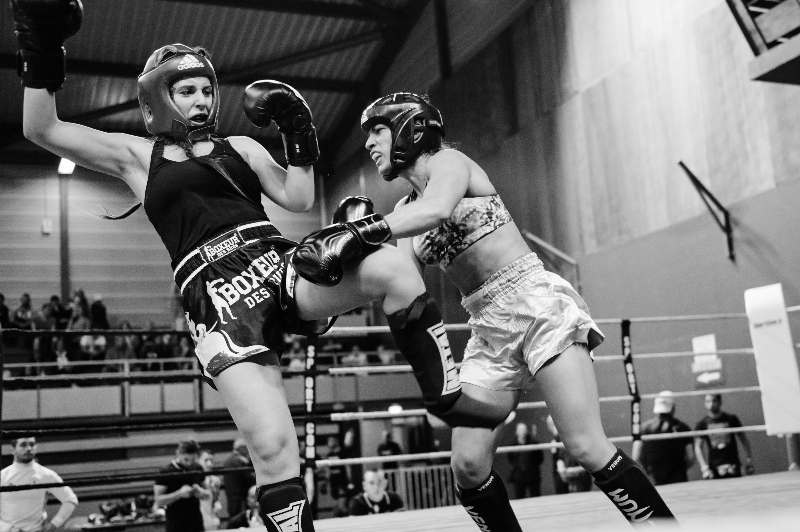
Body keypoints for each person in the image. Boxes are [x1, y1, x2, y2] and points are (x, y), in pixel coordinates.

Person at [14, 3, 507, 529]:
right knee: (273, 449)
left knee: (392, 268)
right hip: (218, 298)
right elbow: (41, 127)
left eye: (206, 90)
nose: (201, 100)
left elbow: (298, 197)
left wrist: (299, 132)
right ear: (159, 97)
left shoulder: (241, 146)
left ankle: (446, 396)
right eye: (187, 90)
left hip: (275, 262)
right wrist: (41, 45)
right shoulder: (137, 156)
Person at [296, 93, 680, 529]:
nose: (368, 143)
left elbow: (438, 209)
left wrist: (362, 231)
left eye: (377, 131)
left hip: (535, 303)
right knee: (468, 465)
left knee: (585, 445)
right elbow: (402, 283)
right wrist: (342, 274)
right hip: (486, 328)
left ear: (409, 129)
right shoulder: (403, 213)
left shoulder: (448, 163)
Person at [0, 437, 78, 532]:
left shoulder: (45, 475)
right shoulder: (3, 476)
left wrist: (53, 525)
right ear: (12, 449)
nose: (29, 448)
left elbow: (70, 499)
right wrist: (9, 529)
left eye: (32, 444)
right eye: (23, 445)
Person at [632, 391, 695, 485]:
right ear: (673, 407)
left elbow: (636, 457)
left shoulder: (644, 428)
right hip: (678, 480)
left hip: (653, 482)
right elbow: (690, 458)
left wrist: (647, 475)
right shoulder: (683, 428)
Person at [153, 439, 210, 532]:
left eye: (193, 459)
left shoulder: (197, 468)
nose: (189, 463)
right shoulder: (166, 471)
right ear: (178, 454)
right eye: (186, 459)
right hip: (176, 525)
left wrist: (201, 493)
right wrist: (179, 494)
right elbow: (159, 501)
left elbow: (208, 494)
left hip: (196, 523)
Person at [695, 393, 754, 480]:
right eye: (708, 401)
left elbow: (743, 439)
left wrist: (749, 458)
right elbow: (698, 447)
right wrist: (704, 467)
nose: (711, 404)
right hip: (714, 468)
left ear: (720, 402)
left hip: (733, 465)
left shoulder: (731, 419)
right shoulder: (702, 423)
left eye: (714, 401)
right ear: (705, 403)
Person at [506, 422, 544, 499]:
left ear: (526, 431)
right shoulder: (512, 446)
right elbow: (511, 459)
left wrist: (531, 466)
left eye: (524, 430)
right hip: (519, 476)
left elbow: (540, 458)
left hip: (533, 475)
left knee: (536, 498)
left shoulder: (534, 443)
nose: (522, 432)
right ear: (516, 432)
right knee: (519, 498)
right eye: (520, 430)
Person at [222, 439, 256, 518]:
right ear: (242, 449)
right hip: (241, 500)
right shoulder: (239, 461)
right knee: (242, 520)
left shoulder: (228, 461)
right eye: (247, 448)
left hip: (231, 500)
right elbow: (251, 479)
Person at [198, 449, 223, 531]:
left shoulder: (215, 480)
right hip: (196, 520)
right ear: (198, 461)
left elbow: (217, 499)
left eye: (211, 460)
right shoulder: (193, 479)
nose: (209, 464)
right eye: (206, 460)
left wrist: (217, 504)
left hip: (211, 519)